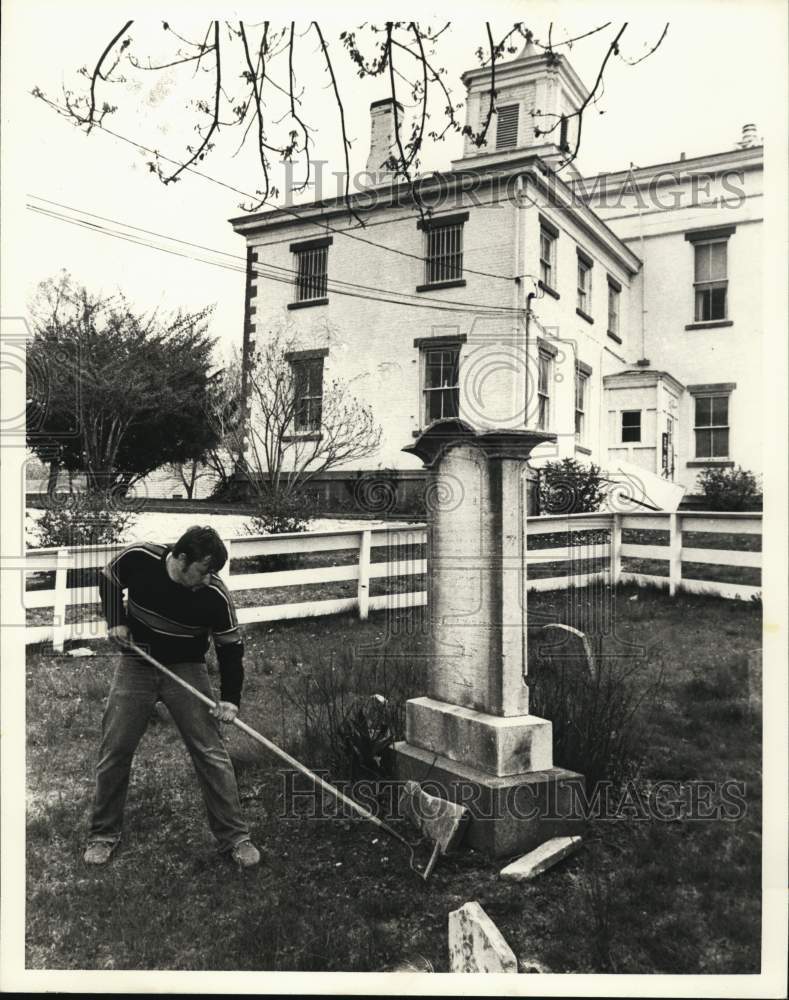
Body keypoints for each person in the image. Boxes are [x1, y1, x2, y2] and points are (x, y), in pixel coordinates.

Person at [83, 525, 261, 868]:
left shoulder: (215, 596)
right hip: (137, 663)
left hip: (186, 669)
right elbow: (107, 577)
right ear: (180, 558)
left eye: (213, 573)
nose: (208, 579)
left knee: (210, 751)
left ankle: (236, 838)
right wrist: (116, 620)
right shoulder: (140, 558)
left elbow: (230, 648)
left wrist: (230, 699)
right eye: (203, 570)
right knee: (115, 748)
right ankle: (102, 835)